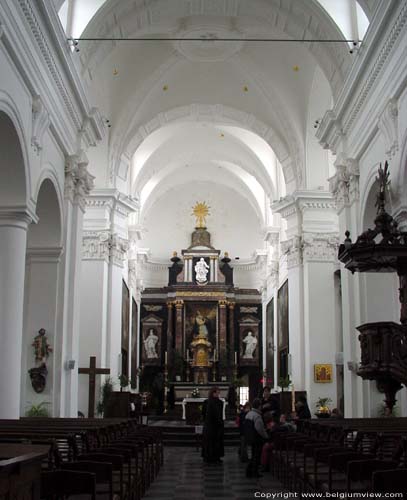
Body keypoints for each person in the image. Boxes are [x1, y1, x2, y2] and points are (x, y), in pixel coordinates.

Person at [244, 398, 269, 478]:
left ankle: (249, 472)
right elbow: (259, 429)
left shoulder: (249, 414)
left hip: (249, 437)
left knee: (253, 455)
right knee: (256, 456)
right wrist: (266, 436)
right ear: (259, 406)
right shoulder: (257, 416)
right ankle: (254, 472)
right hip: (256, 439)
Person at [202, 387, 224, 464]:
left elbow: (219, 414)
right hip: (210, 425)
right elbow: (204, 413)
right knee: (210, 442)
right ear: (213, 393)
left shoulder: (219, 402)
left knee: (216, 442)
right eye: (217, 393)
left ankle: (215, 457)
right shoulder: (207, 402)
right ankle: (209, 457)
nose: (218, 394)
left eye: (219, 393)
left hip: (215, 425)